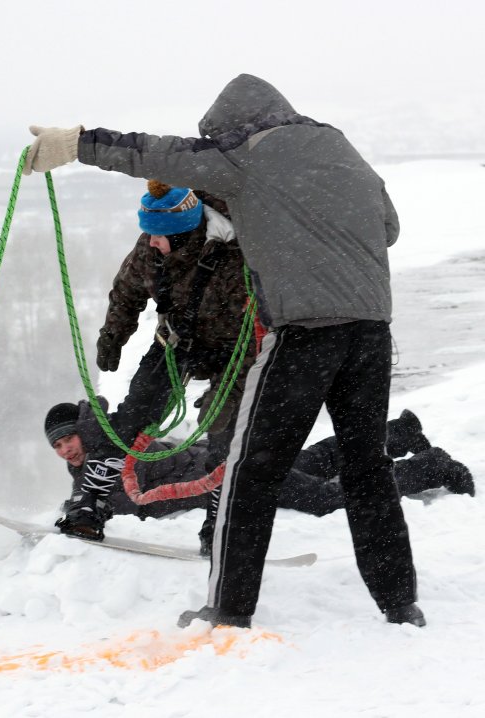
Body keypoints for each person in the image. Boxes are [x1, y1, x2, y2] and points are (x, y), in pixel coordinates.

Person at [24, 73, 425, 628]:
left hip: (302, 338)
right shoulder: (339, 148)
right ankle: (400, 603)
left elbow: (153, 154)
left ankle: (229, 609)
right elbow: (389, 229)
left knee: (248, 470)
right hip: (371, 333)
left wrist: (76, 143)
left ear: (230, 127)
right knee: (367, 468)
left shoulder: (244, 157)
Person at [96, 180, 254, 553]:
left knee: (225, 428)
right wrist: (112, 336)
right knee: (135, 412)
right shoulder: (152, 248)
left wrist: (227, 389)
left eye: (158, 237)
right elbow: (127, 292)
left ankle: (220, 520)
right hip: (178, 341)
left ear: (183, 236)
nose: (150, 241)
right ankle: (91, 501)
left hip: (236, 349)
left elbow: (259, 325)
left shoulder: (238, 255)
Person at [47, 403, 474, 530]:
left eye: (69, 439)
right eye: (58, 446)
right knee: (313, 461)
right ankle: (397, 434)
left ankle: (430, 468)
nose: (65, 450)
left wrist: (97, 510)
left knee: (326, 498)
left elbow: (133, 498)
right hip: (228, 462)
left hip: (229, 476)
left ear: (84, 431)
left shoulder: (114, 452)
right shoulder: (103, 454)